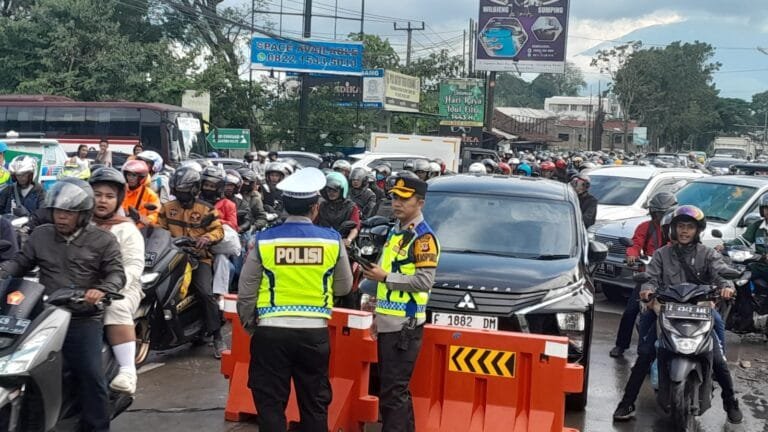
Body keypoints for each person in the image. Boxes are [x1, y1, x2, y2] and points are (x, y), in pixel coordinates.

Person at [0, 179, 125, 432]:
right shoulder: (41, 235)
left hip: (82, 318)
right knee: (23, 368)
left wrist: (100, 290)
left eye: (68, 212)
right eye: (57, 211)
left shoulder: (103, 240)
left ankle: (97, 426)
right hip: (44, 315)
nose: (61, 217)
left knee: (90, 375)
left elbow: (116, 274)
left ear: (83, 214)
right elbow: (19, 263)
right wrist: (2, 272)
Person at [237, 167, 353, 432]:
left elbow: (247, 290)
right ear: (315, 208)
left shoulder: (264, 240)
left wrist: (250, 326)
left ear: (285, 207)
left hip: (270, 332)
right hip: (314, 335)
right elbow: (345, 286)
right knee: (314, 403)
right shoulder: (333, 241)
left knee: (270, 405)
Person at [613, 205, 743, 424]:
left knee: (719, 358)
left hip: (701, 312)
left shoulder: (708, 254)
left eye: (689, 227)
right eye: (680, 226)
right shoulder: (662, 254)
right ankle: (626, 403)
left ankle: (730, 402)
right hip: (665, 311)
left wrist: (727, 286)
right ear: (673, 229)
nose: (684, 231)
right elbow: (651, 276)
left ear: (697, 230)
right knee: (645, 353)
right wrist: (647, 288)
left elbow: (721, 274)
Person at [361, 173, 440, 432]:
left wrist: (386, 278)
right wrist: (376, 314)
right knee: (393, 391)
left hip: (404, 325)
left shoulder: (423, 238)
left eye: (404, 199)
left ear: (420, 202)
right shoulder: (397, 233)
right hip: (389, 322)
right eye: (395, 197)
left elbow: (424, 281)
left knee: (393, 393)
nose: (397, 203)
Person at [157, 166, 227, 358]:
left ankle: (217, 336)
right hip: (172, 257)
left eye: (185, 191)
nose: (181, 195)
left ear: (195, 189)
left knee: (205, 293)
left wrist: (208, 238)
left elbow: (219, 230)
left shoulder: (206, 209)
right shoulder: (167, 208)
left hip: (198, 258)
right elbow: (158, 230)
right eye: (178, 191)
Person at [89, 167, 145, 395]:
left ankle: (127, 370)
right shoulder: (80, 223)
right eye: (97, 194)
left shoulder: (126, 229)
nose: (102, 201)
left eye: (109, 196)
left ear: (119, 199)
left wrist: (109, 286)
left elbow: (133, 266)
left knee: (115, 308)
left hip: (121, 288)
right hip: (81, 286)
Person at [609, 192, 677, 358]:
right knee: (631, 311)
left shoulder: (677, 231)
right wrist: (632, 254)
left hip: (670, 279)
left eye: (663, 214)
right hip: (647, 275)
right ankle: (621, 345)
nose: (659, 217)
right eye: (656, 213)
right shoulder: (645, 227)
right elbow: (635, 243)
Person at [316, 172, 360, 248]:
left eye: (335, 191)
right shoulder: (322, 206)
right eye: (329, 190)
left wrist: (349, 239)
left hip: (342, 242)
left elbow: (355, 228)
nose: (331, 193)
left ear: (342, 191)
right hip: (323, 242)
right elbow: (314, 224)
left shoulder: (351, 207)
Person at [122, 159, 161, 226]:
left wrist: (140, 218)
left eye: (134, 175)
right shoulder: (121, 191)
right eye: (129, 175)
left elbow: (155, 215)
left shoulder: (150, 194)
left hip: (141, 231)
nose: (130, 178)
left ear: (141, 177)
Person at [199, 165, 238, 231]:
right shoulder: (194, 201)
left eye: (212, 186)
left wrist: (214, 220)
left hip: (220, 237)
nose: (208, 188)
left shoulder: (228, 204)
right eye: (206, 185)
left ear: (219, 188)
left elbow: (233, 226)